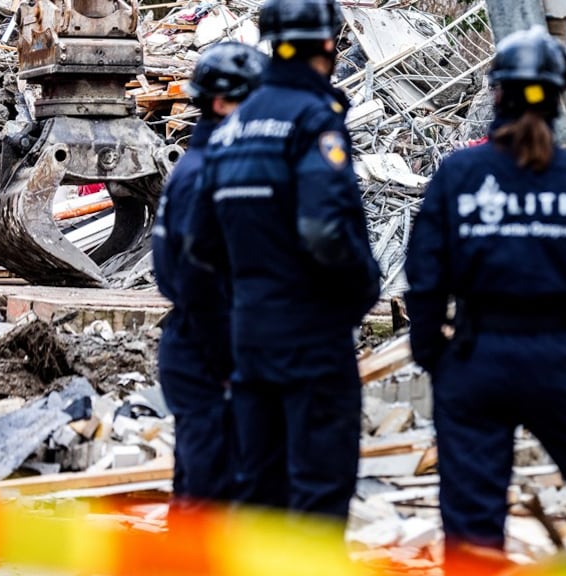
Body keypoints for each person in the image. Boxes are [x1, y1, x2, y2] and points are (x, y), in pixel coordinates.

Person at [404, 26, 566, 575]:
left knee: (472, 521)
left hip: (475, 362)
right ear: (560, 97)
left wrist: (437, 358)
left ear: (497, 92)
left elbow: (423, 278)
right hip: (558, 359)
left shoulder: (458, 174)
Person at [186, 0, 380, 517]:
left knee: (259, 491)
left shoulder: (232, 129)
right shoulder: (314, 119)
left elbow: (200, 244)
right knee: (318, 487)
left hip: (249, 337)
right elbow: (323, 228)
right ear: (328, 45)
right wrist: (364, 287)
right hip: (311, 337)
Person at [152, 41, 266, 507]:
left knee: (202, 486)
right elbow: (196, 281)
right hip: (205, 356)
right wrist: (227, 364)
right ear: (221, 103)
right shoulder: (209, 175)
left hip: (197, 348)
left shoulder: (201, 166)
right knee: (209, 497)